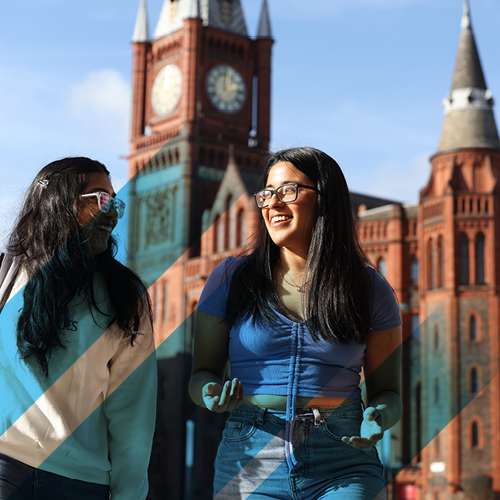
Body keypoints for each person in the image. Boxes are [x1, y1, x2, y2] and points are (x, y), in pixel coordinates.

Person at [189, 147, 402, 499]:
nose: (273, 203)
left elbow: (388, 393)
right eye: (267, 193)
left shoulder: (370, 288)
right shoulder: (230, 278)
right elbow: (201, 375)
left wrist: (379, 415)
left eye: (288, 191)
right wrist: (209, 394)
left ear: (325, 198)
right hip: (250, 457)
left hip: (343, 456)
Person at [0, 158, 157, 500]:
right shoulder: (7, 275)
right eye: (100, 199)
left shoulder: (125, 297)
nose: (113, 213)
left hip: (80, 481)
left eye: (115, 202)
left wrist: (129, 494)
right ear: (57, 200)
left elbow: (132, 410)